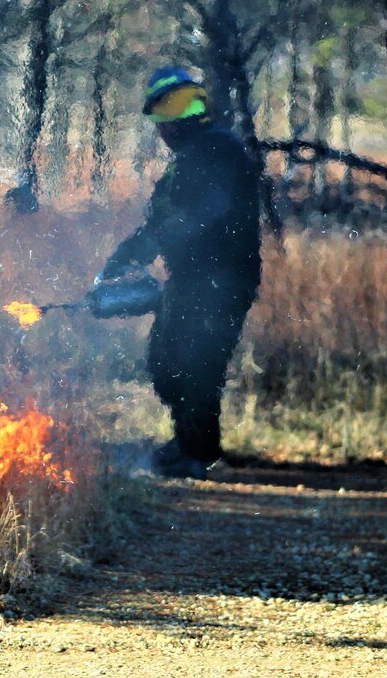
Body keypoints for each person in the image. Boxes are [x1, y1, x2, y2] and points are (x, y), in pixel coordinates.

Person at [95, 66, 262, 479]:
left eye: (169, 118)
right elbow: (164, 219)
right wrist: (130, 252)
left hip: (221, 279)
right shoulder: (191, 157)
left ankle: (198, 452)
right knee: (166, 362)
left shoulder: (216, 150)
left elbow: (202, 214)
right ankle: (187, 441)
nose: (164, 130)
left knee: (198, 362)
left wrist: (154, 243)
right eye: (160, 120)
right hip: (191, 278)